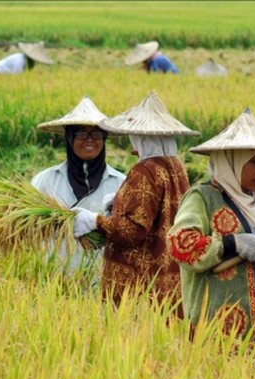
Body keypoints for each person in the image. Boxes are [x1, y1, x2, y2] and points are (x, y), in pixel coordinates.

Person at [168, 109, 255, 341]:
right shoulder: (203, 198)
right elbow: (179, 244)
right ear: (232, 161)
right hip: (216, 337)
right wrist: (232, 243)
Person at [72, 91, 199, 314]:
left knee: (133, 343)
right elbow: (161, 211)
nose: (133, 146)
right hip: (170, 276)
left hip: (141, 285)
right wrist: (121, 201)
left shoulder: (145, 170)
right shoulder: (176, 167)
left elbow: (131, 231)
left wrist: (94, 221)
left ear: (141, 137)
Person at [33, 96, 126, 274]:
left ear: (105, 137)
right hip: (53, 281)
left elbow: (130, 234)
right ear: (69, 137)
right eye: (81, 133)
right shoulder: (45, 181)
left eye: (97, 134)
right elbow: (28, 231)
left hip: (102, 283)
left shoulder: (121, 184)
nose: (90, 140)